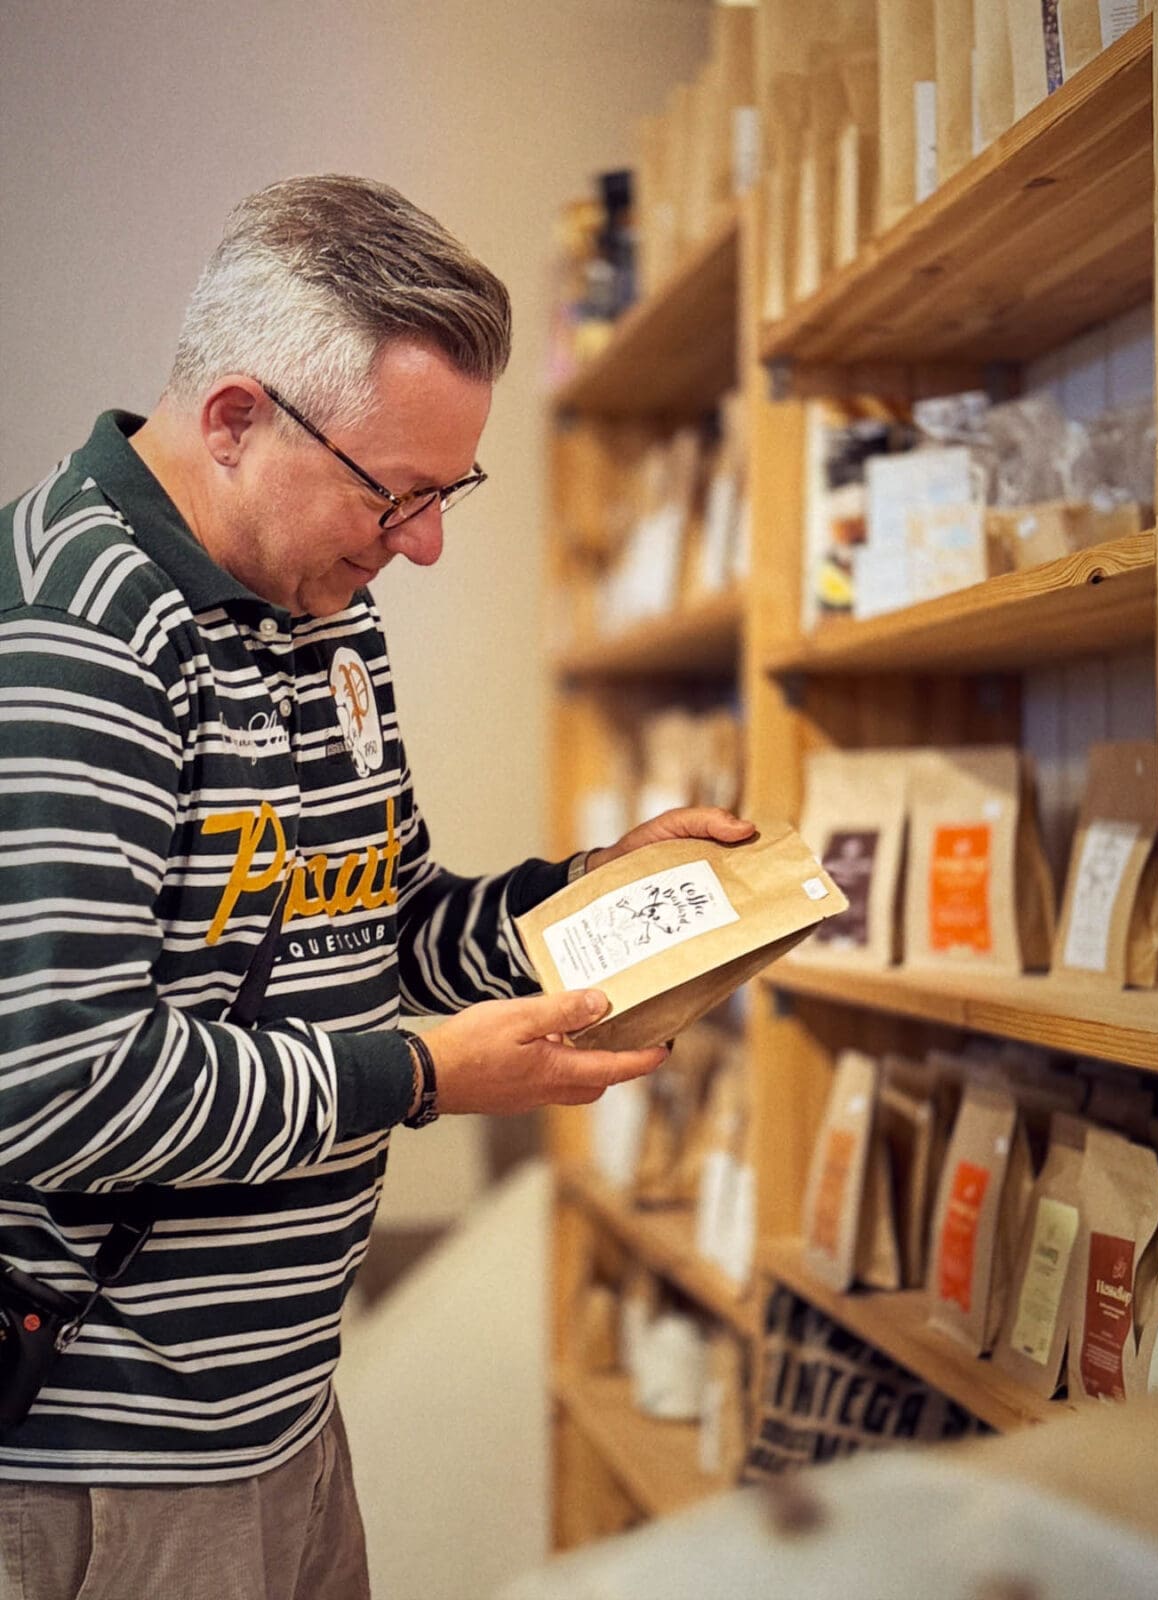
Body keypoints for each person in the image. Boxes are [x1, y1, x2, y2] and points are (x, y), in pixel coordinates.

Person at [0, 173, 755, 1599]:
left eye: (445, 493)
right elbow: (56, 1084)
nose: (424, 542)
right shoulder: (75, 631)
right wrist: (419, 1076)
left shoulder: (325, 617)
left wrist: (587, 894)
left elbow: (384, 925)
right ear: (236, 420)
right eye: (393, 491)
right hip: (110, 1465)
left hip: (283, 1411)